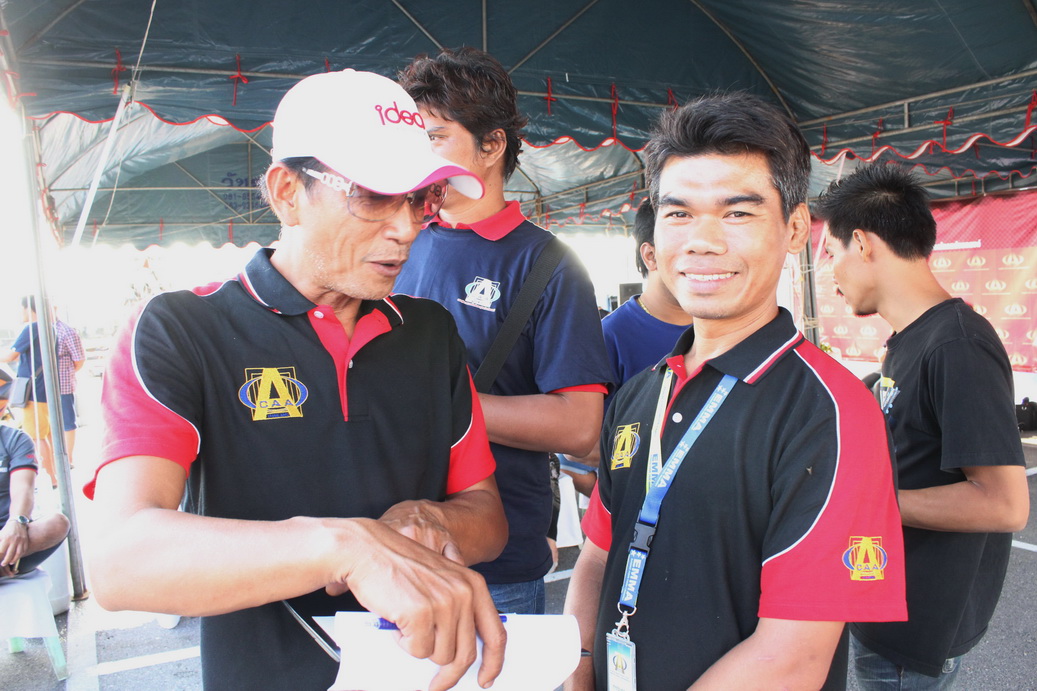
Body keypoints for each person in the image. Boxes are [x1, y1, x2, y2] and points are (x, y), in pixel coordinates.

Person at [86, 69, 509, 691]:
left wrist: (435, 523)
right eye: (373, 195)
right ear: (287, 192)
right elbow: (120, 561)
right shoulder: (180, 329)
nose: (405, 227)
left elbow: (488, 517)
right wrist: (349, 547)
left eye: (422, 198)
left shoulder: (430, 332)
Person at [564, 92, 908, 691]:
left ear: (795, 228)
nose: (702, 241)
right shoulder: (641, 393)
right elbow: (597, 556)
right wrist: (581, 670)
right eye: (678, 214)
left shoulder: (831, 412)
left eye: (737, 213)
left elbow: (791, 659)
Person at [396, 47, 612, 615]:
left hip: (495, 565)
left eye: (435, 137)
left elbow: (580, 425)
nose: (417, 156)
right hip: (386, 555)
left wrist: (439, 402)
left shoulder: (548, 265)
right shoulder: (393, 244)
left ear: (491, 145)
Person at [815, 162, 1030, 688]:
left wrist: (862, 502)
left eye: (832, 253)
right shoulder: (911, 340)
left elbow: (1004, 504)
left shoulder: (957, 345)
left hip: (913, 631)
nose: (831, 273)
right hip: (882, 599)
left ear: (862, 243)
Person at [559, 198, 693, 496]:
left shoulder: (726, 329)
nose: (704, 258)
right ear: (650, 255)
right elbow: (579, 450)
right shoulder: (607, 338)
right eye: (689, 248)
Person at [0, 380, 70, 578]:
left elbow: (23, 488)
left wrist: (17, 521)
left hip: (8, 538)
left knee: (57, 524)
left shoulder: (15, 440)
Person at [1, 297, 56, 489]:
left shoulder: (32, 328)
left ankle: (50, 478)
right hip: (45, 389)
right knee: (46, 434)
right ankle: (54, 476)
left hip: (33, 391)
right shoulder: (49, 327)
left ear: (28, 308)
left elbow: (11, 355)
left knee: (36, 436)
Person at [53, 309, 85, 466]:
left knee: (67, 422)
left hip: (63, 385)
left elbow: (79, 359)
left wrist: (67, 372)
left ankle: (68, 459)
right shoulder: (35, 330)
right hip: (42, 387)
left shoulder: (66, 331)